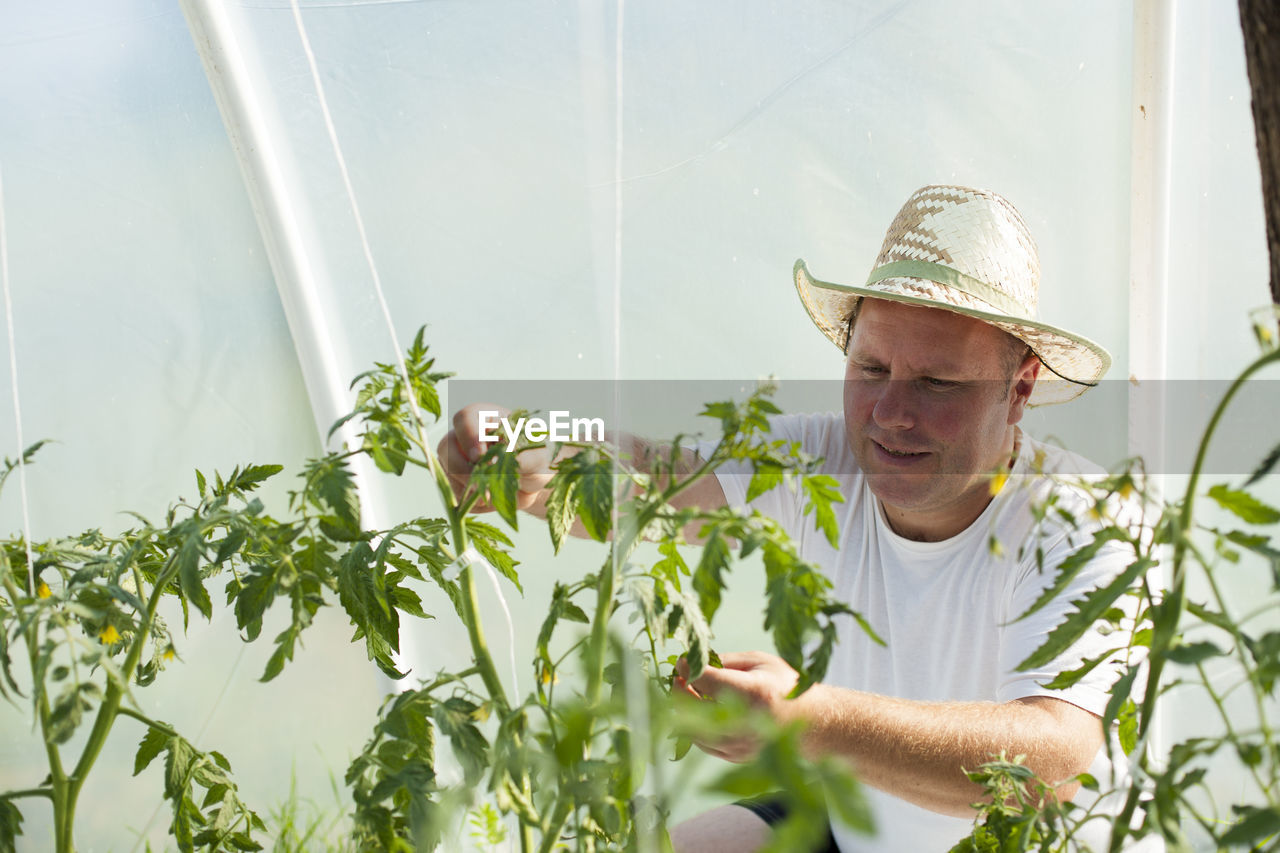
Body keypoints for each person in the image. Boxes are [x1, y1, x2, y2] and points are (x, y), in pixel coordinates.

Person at [441, 185, 1135, 852]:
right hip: (858, 820)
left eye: (937, 382)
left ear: (1019, 388)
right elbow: (654, 474)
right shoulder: (822, 458)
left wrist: (811, 719)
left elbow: (1054, 764)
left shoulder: (1080, 522)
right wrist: (535, 443)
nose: (891, 413)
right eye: (870, 369)